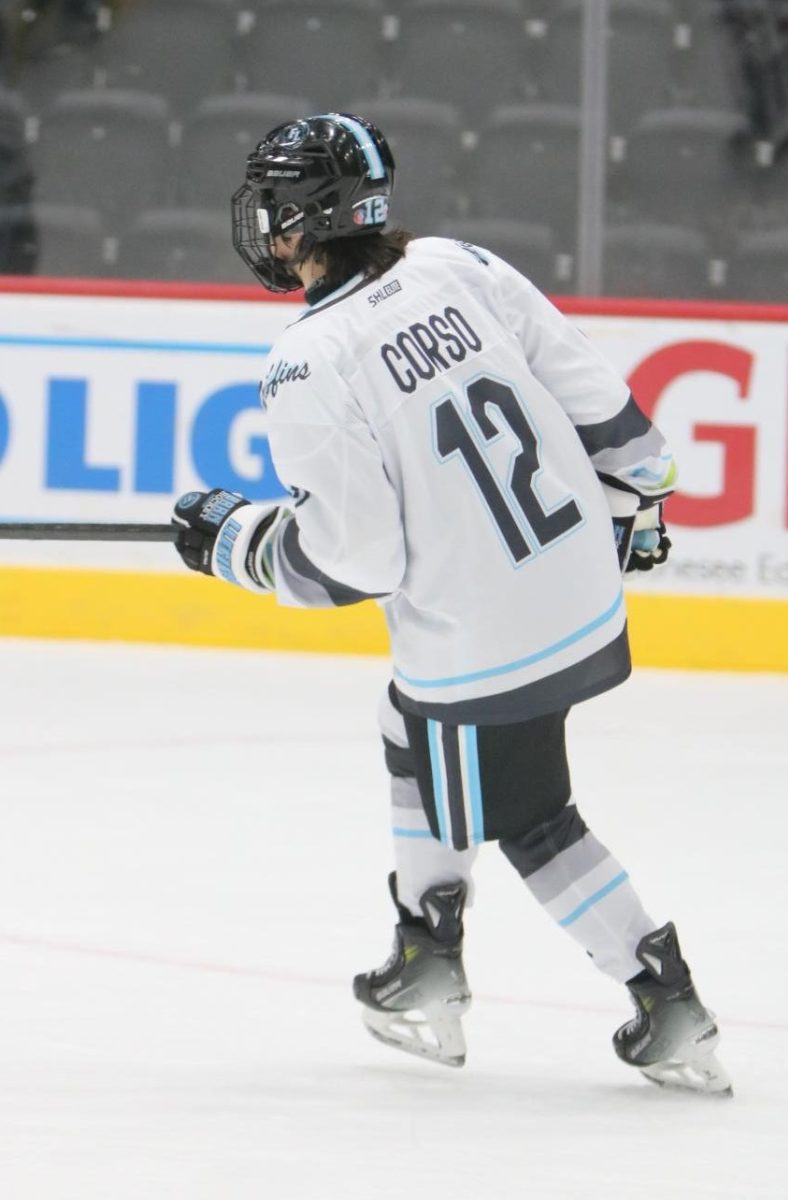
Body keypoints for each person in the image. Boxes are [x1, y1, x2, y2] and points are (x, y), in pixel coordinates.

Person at [171, 112, 731, 1096]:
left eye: (273, 206)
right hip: (572, 586)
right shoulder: (454, 265)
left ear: (301, 220)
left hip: (484, 636)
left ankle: (663, 996)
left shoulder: (308, 360)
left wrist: (234, 545)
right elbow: (598, 401)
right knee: (409, 721)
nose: (262, 224)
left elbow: (354, 564)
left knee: (529, 817)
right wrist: (637, 500)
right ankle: (424, 952)